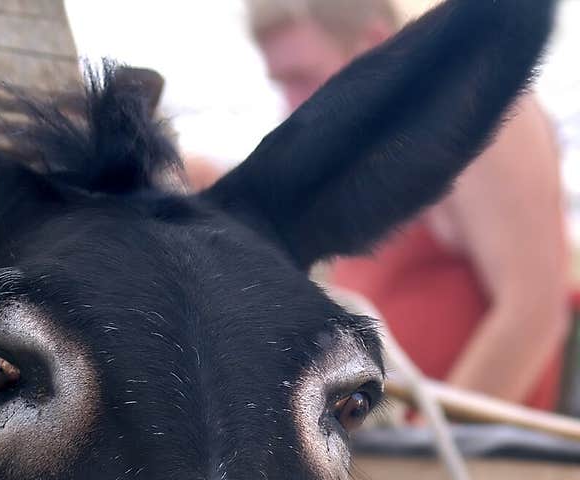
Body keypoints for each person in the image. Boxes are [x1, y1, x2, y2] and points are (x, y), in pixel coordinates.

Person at [245, 0, 572, 411]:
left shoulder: (479, 112)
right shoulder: (366, 167)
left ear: (376, 45)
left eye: (303, 78)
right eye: (282, 84)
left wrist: (430, 454)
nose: (293, 107)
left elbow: (533, 312)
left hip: (458, 462)